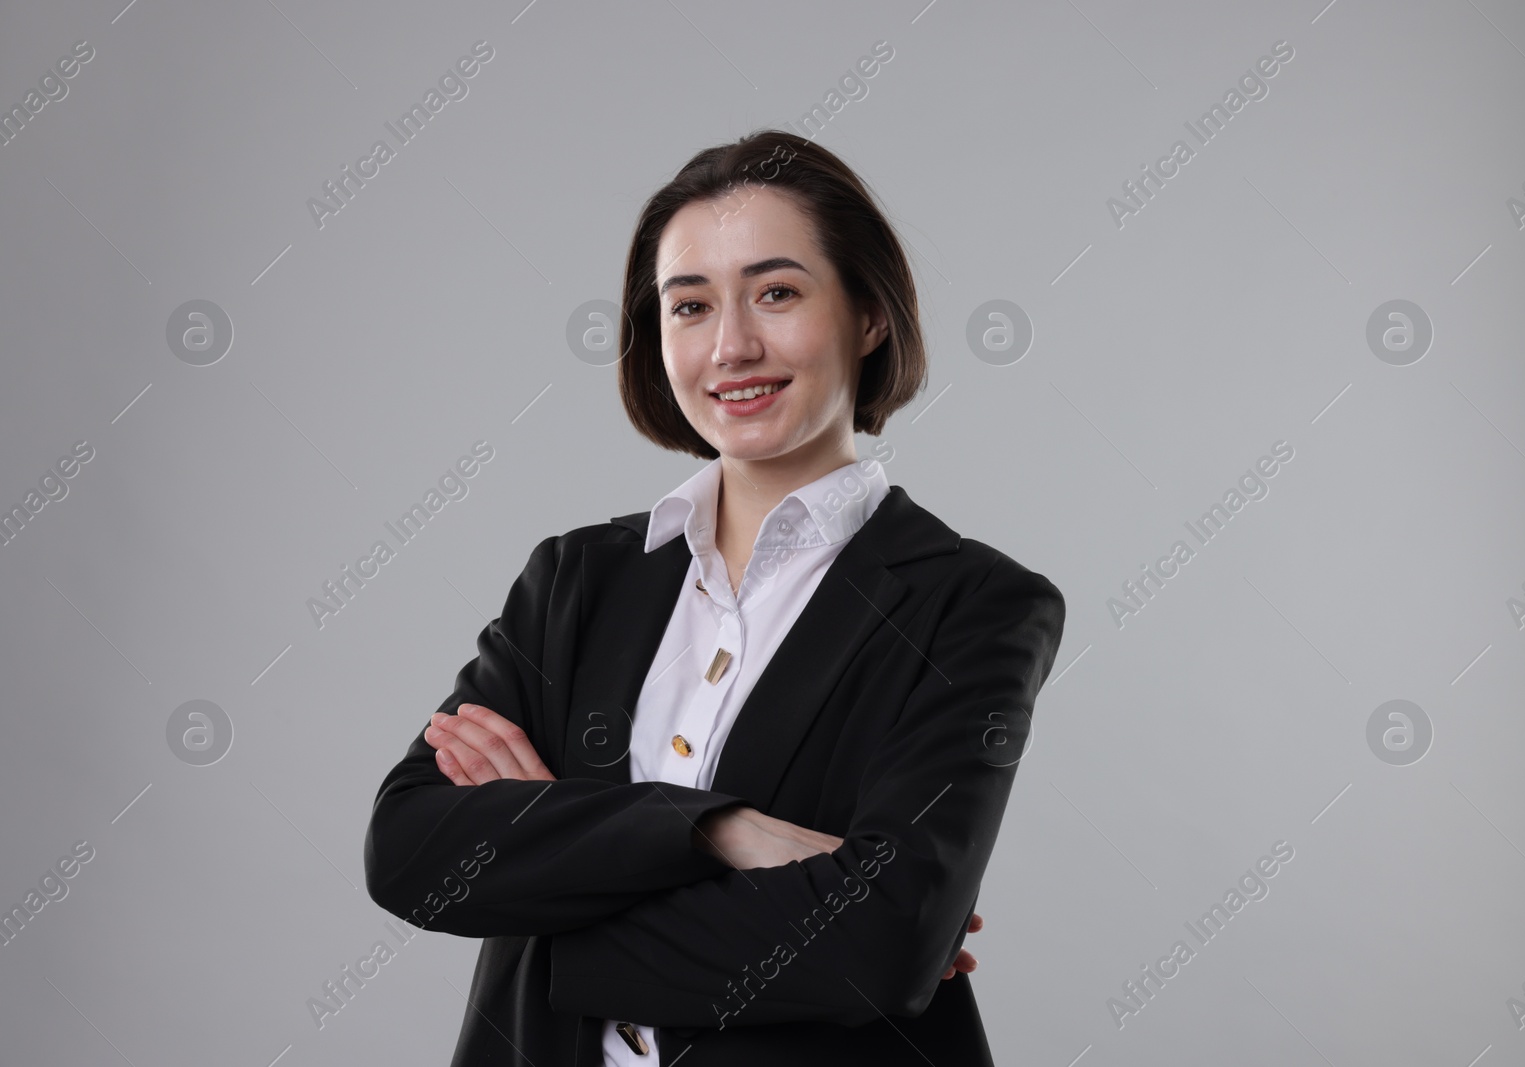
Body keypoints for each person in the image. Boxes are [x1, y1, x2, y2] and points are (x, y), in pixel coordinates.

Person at [362, 129, 1066, 1066]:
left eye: (776, 292)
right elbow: (413, 852)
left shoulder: (976, 605)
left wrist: (554, 882)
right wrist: (719, 832)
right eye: (689, 306)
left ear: (868, 315)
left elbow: (878, 946)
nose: (731, 346)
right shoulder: (575, 578)